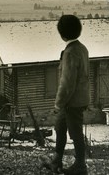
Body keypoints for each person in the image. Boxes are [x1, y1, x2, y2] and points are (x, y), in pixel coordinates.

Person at [46, 14, 90, 175]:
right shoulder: (82, 48)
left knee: (75, 133)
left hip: (72, 102)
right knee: (60, 127)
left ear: (62, 33)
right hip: (77, 99)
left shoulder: (70, 52)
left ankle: (80, 166)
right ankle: (56, 160)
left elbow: (67, 83)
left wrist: (58, 103)